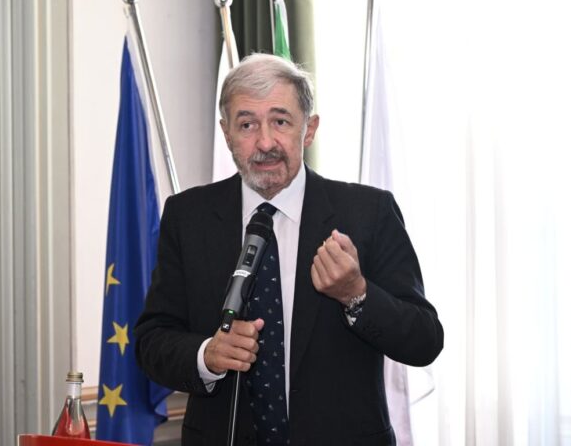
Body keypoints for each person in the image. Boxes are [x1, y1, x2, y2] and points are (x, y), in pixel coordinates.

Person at [135, 53, 443, 446]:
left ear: (309, 129)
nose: (265, 143)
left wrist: (356, 294)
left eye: (280, 122)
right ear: (227, 134)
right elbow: (152, 340)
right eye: (247, 125)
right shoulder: (188, 216)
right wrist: (206, 354)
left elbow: (424, 340)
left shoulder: (368, 213)